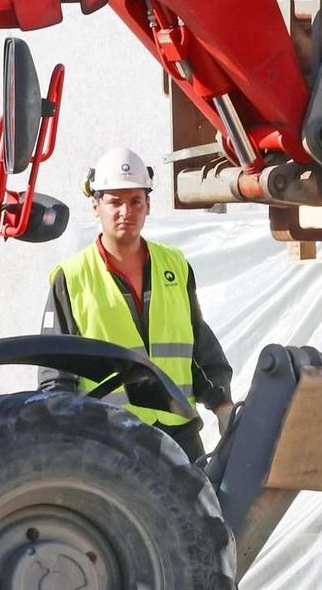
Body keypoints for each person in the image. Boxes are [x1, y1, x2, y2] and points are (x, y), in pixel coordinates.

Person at [40, 147, 234, 455]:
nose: (125, 212)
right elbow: (56, 378)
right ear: (95, 206)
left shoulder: (175, 266)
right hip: (108, 442)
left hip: (178, 440)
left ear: (148, 205)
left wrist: (221, 402)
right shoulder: (71, 277)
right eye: (114, 202)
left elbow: (200, 348)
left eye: (135, 201)